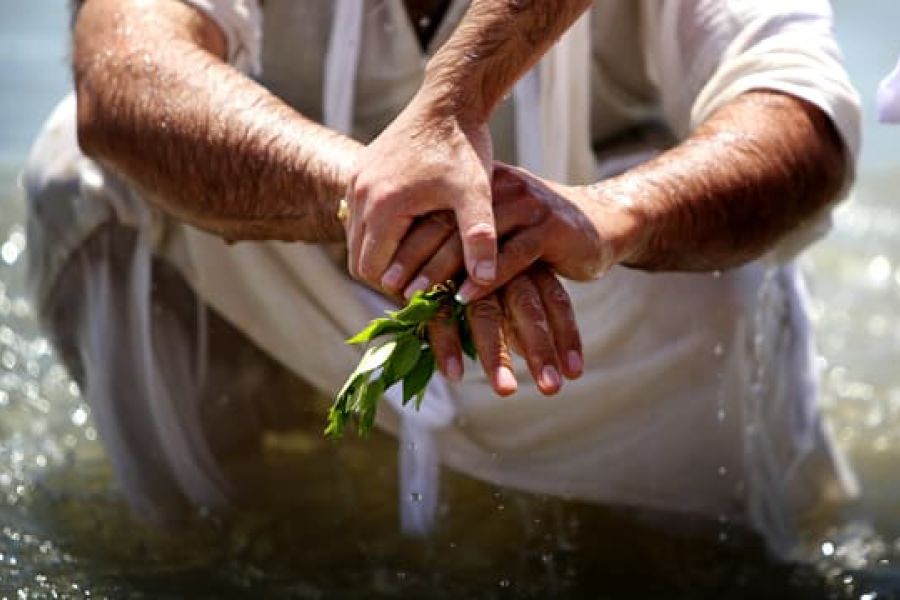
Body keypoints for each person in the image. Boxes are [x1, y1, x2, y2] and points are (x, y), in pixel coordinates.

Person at [24, 0, 861, 552]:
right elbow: (124, 74)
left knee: (715, 254)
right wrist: (371, 198)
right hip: (308, 234)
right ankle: (220, 533)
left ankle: (692, 553)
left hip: (584, 282)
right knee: (82, 172)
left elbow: (802, 117)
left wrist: (609, 219)